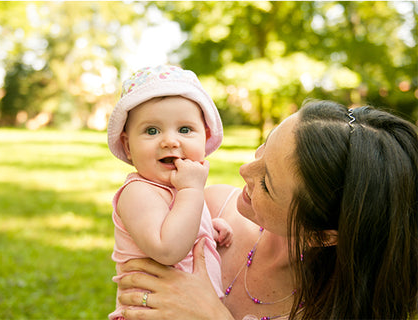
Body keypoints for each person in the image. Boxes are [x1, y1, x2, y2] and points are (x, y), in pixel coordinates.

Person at [116, 99, 418, 320]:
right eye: (263, 148)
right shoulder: (209, 207)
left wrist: (212, 316)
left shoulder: (336, 308)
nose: (244, 170)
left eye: (267, 183)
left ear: (321, 237)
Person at [107, 65, 234, 320]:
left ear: (204, 137)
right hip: (153, 312)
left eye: (185, 130)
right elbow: (168, 249)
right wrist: (191, 191)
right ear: (127, 146)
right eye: (151, 131)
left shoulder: (178, 194)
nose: (170, 141)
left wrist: (206, 226)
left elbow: (178, 224)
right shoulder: (137, 193)